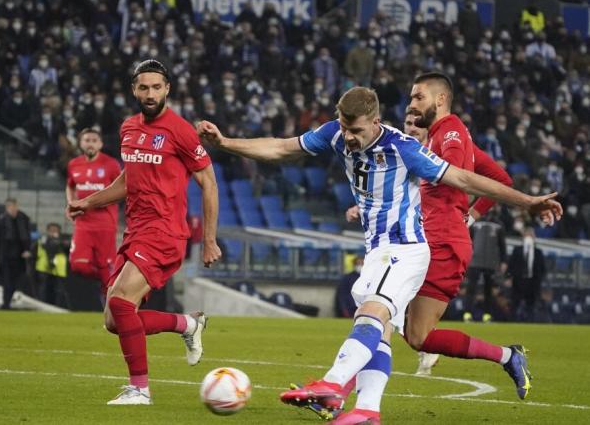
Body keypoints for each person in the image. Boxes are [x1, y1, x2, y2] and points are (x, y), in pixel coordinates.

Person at [197, 86, 561, 423]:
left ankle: (333, 384)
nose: (349, 138)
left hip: (406, 250)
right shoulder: (336, 134)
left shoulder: (403, 148)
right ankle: (368, 410)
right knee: (384, 330)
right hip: (378, 250)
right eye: (344, 127)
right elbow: (279, 148)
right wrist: (225, 142)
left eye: (355, 130)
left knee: (373, 313)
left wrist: (527, 202)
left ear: (375, 121)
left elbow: (465, 179)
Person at [67, 59, 221, 406]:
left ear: (167, 89)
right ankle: (187, 324)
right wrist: (88, 203)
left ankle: (140, 389)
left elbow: (208, 182)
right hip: (135, 231)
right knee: (113, 320)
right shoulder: (128, 128)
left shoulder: (180, 130)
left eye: (156, 87)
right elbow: (127, 180)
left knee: (121, 303)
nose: (150, 94)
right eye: (143, 87)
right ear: (134, 90)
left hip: (165, 232)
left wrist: (209, 240)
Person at [399, 72, 537, 401]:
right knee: (408, 330)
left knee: (392, 316)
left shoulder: (451, 132)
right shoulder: (440, 136)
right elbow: (500, 178)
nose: (412, 104)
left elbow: (453, 175)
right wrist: (472, 215)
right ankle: (508, 356)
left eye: (418, 97)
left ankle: (342, 392)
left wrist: (467, 215)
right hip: (432, 240)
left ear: (440, 99)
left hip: (442, 244)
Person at [66, 128, 122, 298]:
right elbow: (70, 185)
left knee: (106, 273)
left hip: (105, 223)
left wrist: (101, 201)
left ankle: (111, 311)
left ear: (100, 144)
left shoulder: (111, 164)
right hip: (83, 223)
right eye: (87, 140)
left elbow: (121, 189)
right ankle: (111, 277)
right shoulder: (74, 164)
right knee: (78, 265)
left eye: (94, 140)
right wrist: (70, 203)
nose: (90, 143)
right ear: (81, 143)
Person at [464, 210, 507, 323]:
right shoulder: (475, 221)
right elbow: (468, 241)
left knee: (488, 290)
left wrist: (503, 261)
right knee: (471, 288)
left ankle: (487, 315)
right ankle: (467, 313)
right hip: (475, 260)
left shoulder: (499, 224)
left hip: (490, 262)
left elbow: (502, 245)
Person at [0, 199, 32, 310]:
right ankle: (6, 304)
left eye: (15, 207)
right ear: (7, 208)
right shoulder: (0, 221)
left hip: (19, 257)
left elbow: (27, 236)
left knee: (16, 282)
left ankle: (7, 303)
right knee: (7, 282)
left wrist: (27, 249)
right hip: (5, 257)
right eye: (11, 207)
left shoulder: (23, 219)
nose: (14, 210)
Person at [508, 227, 546, 321]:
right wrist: (509, 277)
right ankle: (511, 323)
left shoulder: (538, 252)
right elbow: (511, 265)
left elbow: (542, 269)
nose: (529, 237)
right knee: (515, 304)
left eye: (531, 235)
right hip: (518, 281)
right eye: (527, 235)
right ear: (523, 237)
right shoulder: (517, 250)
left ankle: (531, 322)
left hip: (533, 282)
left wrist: (539, 280)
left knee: (531, 306)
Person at [34, 222, 68, 307]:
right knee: (44, 289)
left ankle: (56, 307)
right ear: (48, 231)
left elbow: (67, 246)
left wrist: (58, 241)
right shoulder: (43, 239)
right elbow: (47, 245)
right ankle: (42, 306)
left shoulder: (62, 240)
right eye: (51, 230)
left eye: (55, 230)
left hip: (58, 269)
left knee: (58, 290)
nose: (53, 232)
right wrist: (57, 241)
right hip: (44, 268)